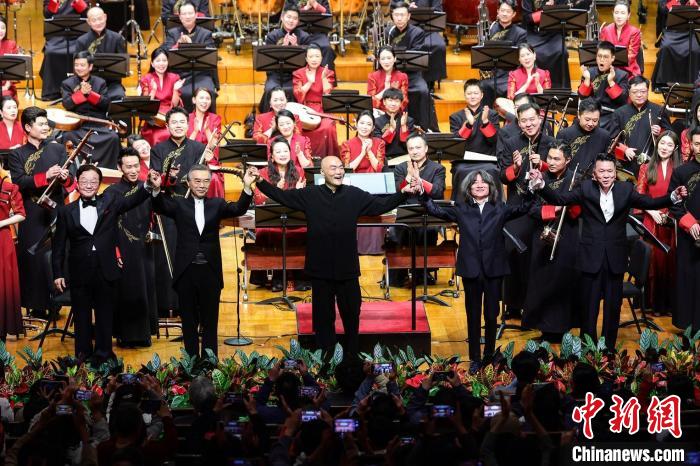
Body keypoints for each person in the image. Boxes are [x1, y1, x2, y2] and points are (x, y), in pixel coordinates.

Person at [251, 157, 416, 355]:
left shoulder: (354, 194)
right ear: (322, 173)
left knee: (352, 315)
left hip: (347, 268)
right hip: (320, 268)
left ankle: (352, 358)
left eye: (340, 168)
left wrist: (403, 192)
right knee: (323, 319)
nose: (338, 171)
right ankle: (326, 360)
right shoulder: (310, 194)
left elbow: (381, 205)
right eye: (333, 168)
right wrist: (260, 181)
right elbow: (282, 197)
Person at [530, 153, 687, 348]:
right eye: (601, 171)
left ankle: (609, 350)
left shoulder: (626, 189)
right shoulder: (585, 188)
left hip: (616, 259)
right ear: (595, 174)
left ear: (615, 173)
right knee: (589, 308)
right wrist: (541, 185)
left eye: (609, 171)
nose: (606, 175)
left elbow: (650, 202)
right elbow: (559, 198)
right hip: (590, 258)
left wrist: (673, 197)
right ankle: (588, 349)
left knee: (613, 309)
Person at [421, 170, 532, 371]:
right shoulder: (461, 208)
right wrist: (422, 192)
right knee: (472, 315)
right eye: (474, 182)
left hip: (494, 270)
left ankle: (489, 356)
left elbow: (525, 207)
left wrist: (533, 187)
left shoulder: (500, 208)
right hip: (471, 269)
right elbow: (435, 210)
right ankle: (474, 358)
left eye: (483, 182)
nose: (479, 185)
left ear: (491, 186)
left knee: (491, 314)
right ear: (468, 188)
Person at [52, 165, 159, 361]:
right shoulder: (66, 211)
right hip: (79, 270)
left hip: (106, 268)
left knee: (104, 315)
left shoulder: (110, 202)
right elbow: (58, 245)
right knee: (82, 317)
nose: (89, 185)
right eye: (84, 181)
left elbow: (132, 200)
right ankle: (83, 356)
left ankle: (104, 356)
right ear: (77, 183)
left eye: (93, 181)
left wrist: (148, 185)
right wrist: (58, 273)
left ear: (99, 184)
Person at [153, 164, 256, 357]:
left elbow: (238, 208)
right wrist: (157, 189)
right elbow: (160, 206)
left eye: (206, 181)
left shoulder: (216, 204)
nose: (202, 185)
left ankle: (209, 362)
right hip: (186, 271)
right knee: (188, 321)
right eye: (197, 181)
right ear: (189, 182)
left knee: (210, 321)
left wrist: (247, 186)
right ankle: (191, 363)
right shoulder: (179, 204)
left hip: (210, 271)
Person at [8, 107, 71, 319]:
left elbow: (70, 181)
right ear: (28, 127)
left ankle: (56, 302)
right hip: (32, 211)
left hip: (56, 209)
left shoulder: (58, 149)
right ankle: (36, 305)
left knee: (56, 253)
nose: (46, 127)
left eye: (46, 123)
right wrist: (46, 176)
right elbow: (19, 182)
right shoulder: (16, 154)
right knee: (33, 257)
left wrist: (64, 178)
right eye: (41, 124)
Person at [151, 106, 214, 317]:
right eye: (174, 122)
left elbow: (205, 179)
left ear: (189, 124)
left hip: (193, 208)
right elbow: (155, 180)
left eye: (182, 122)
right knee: (169, 254)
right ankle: (169, 304)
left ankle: (194, 304)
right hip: (169, 208)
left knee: (192, 255)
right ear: (167, 125)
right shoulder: (158, 149)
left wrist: (207, 163)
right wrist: (170, 178)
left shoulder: (199, 148)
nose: (178, 126)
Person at [497, 101, 553, 317]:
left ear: (539, 118)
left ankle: (536, 307)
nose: (529, 124)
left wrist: (544, 165)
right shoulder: (511, 142)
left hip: (543, 206)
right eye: (524, 121)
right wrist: (516, 167)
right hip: (517, 206)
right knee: (514, 254)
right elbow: (503, 175)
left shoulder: (551, 142)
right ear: (518, 123)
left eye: (532, 119)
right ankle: (513, 306)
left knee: (538, 258)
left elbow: (559, 172)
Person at [522, 142, 581, 342]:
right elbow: (530, 208)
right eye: (549, 158)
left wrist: (567, 207)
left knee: (561, 281)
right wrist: (554, 210)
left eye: (557, 159)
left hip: (566, 236)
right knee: (541, 281)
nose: (552, 162)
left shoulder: (575, 179)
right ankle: (544, 328)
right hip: (541, 235)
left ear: (568, 160)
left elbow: (577, 211)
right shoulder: (539, 177)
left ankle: (561, 328)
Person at [105, 149, 158, 348]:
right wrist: (115, 250)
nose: (134, 170)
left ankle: (145, 333)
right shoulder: (112, 192)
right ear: (120, 167)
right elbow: (110, 223)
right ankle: (125, 335)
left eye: (136, 165)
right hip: (123, 246)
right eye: (129, 167)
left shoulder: (148, 187)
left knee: (146, 287)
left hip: (144, 245)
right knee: (126, 290)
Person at [389, 133, 446, 286]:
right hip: (405, 210)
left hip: (428, 210)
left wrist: (420, 181)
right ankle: (399, 272)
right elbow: (396, 191)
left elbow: (438, 191)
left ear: (426, 149)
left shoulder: (437, 168)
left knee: (427, 229)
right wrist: (408, 177)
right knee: (398, 230)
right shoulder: (401, 168)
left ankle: (421, 272)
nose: (414, 151)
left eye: (418, 147)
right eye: (411, 148)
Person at [252, 136, 307, 291]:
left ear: (290, 153)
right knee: (269, 232)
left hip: (294, 218)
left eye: (285, 151)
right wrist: (276, 190)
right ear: (272, 156)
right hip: (272, 217)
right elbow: (259, 199)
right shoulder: (263, 173)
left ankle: (300, 276)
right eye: (278, 151)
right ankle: (276, 277)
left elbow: (305, 199)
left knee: (305, 230)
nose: (283, 154)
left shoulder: (299, 171)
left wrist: (298, 192)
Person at [637, 131, 681, 316]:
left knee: (670, 263)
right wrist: (652, 211)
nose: (664, 147)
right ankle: (651, 304)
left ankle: (668, 306)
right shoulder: (646, 167)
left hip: (672, 222)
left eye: (669, 145)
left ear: (675, 148)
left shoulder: (680, 169)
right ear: (657, 144)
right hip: (651, 220)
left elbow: (682, 197)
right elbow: (639, 196)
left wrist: (670, 215)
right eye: (662, 143)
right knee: (653, 263)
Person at [60, 51, 121, 169]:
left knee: (113, 137)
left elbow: (106, 104)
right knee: (67, 136)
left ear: (90, 66)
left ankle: (108, 170)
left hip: (98, 123)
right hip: (77, 124)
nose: (78, 68)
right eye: (76, 65)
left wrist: (90, 94)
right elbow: (67, 104)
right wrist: (81, 94)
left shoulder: (100, 82)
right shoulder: (67, 83)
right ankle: (73, 170)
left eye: (82, 65)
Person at [668, 126, 700, 333]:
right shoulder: (681, 172)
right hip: (689, 235)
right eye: (697, 144)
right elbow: (674, 203)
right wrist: (691, 224)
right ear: (691, 145)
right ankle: (689, 326)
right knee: (688, 279)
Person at [386, 2, 437, 132]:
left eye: (402, 15)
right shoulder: (388, 32)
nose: (399, 18)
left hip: (412, 74)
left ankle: (424, 127)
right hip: (392, 73)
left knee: (423, 91)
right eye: (396, 15)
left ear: (408, 16)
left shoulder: (418, 32)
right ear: (392, 16)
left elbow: (416, 56)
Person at [341, 111, 386, 255]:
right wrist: (362, 152)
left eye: (368, 124)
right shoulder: (347, 144)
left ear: (373, 128)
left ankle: (375, 247)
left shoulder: (379, 142)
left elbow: (379, 168)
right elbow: (348, 170)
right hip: (354, 183)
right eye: (362, 123)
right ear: (356, 124)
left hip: (374, 182)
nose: (365, 127)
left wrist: (370, 151)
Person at [610, 75, 672, 177]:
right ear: (629, 92)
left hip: (653, 163)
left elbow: (671, 135)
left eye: (643, 91)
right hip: (627, 163)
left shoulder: (659, 110)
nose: (639, 95)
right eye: (635, 92)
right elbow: (612, 140)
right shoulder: (619, 113)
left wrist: (660, 132)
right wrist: (624, 150)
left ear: (648, 91)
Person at [449, 79, 499, 199]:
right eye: (469, 93)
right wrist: (468, 125)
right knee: (460, 171)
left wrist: (485, 122)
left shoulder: (492, 114)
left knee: (493, 170)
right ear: (465, 95)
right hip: (463, 162)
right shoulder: (456, 117)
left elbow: (494, 140)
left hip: (487, 160)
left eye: (476, 93)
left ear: (482, 95)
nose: (472, 96)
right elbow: (457, 143)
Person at [163, 2, 217, 112]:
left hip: (201, 74)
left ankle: (207, 121)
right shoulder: (172, 33)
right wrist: (178, 44)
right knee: (183, 92)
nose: (187, 16)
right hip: (179, 75)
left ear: (196, 14)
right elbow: (165, 53)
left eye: (190, 13)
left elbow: (211, 56)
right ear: (179, 16)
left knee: (208, 92)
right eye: (184, 14)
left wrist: (191, 46)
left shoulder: (206, 34)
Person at [292, 44, 340, 158]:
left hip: (323, 109)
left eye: (317, 56)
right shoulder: (298, 73)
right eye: (311, 56)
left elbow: (328, 94)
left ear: (321, 58)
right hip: (305, 109)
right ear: (306, 58)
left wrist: (323, 79)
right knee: (298, 127)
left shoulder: (328, 72)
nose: (314, 59)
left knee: (328, 127)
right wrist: (309, 82)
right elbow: (298, 94)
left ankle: (327, 159)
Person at [261, 6, 310, 112]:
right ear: (282, 18)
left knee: (294, 90)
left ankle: (295, 117)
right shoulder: (272, 36)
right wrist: (282, 48)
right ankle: (268, 117)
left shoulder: (304, 37)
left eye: (295, 18)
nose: (291, 20)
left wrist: (296, 47)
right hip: (276, 74)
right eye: (288, 17)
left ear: (298, 21)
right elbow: (268, 62)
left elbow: (307, 62)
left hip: (296, 75)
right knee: (270, 89)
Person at [521, 0, 579, 89]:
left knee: (561, 52)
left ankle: (561, 89)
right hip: (533, 32)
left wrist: (553, 9)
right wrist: (545, 11)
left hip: (553, 31)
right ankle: (534, 86)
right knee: (532, 53)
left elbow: (564, 11)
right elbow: (527, 17)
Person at [74, 7, 127, 100]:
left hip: (111, 83)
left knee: (118, 97)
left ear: (105, 17)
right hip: (89, 83)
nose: (98, 22)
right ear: (88, 22)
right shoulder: (81, 41)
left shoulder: (117, 38)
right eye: (94, 20)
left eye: (100, 18)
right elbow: (77, 68)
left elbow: (122, 66)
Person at [40, 0, 88, 100]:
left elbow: (86, 13)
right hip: (57, 34)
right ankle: (52, 91)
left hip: (76, 33)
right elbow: (47, 14)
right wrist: (54, 3)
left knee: (78, 52)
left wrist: (78, 2)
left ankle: (78, 88)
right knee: (50, 52)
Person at [482, 0, 527, 104]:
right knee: (483, 86)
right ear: (498, 11)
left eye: (508, 11)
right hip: (492, 72)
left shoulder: (521, 33)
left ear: (514, 14)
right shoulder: (489, 30)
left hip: (510, 73)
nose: (504, 14)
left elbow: (519, 58)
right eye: (502, 10)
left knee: (508, 86)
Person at [577, 41, 629, 130]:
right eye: (599, 56)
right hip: (591, 113)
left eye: (605, 57)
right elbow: (582, 97)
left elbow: (622, 99)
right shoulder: (589, 73)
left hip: (611, 115)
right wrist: (587, 80)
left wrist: (611, 82)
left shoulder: (622, 75)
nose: (601, 59)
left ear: (612, 58)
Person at [139, 47, 185, 147]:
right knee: (157, 137)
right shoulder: (146, 78)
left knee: (172, 133)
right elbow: (146, 105)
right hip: (154, 118)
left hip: (170, 116)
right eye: (158, 60)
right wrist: (153, 90)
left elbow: (175, 105)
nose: (161, 63)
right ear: (152, 63)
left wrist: (175, 90)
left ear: (168, 62)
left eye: (164, 60)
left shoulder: (174, 77)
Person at [0, 167, 25, 342]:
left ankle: (2, 329)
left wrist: (1, 223)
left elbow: (21, 214)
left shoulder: (9, 187)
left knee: (3, 285)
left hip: (2, 238)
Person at [652, 0, 700, 89]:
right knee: (666, 46)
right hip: (672, 32)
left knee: (696, 49)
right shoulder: (665, 2)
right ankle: (664, 82)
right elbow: (660, 22)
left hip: (693, 32)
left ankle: (695, 81)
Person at [187, 87, 224, 198]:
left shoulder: (215, 118)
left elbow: (214, 146)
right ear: (194, 100)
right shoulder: (187, 118)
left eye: (207, 98)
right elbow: (185, 146)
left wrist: (207, 130)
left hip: (209, 160)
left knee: (214, 179)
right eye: (201, 98)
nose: (204, 101)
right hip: (191, 159)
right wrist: (195, 131)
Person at [556, 98, 611, 171]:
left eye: (595, 120)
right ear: (579, 115)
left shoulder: (605, 136)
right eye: (587, 120)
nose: (590, 124)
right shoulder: (564, 134)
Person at [403, 0, 447, 89]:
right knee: (408, 45)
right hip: (404, 28)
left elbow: (438, 10)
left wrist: (419, 11)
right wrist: (407, 9)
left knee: (439, 46)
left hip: (427, 29)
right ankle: (408, 79)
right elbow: (394, 5)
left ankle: (430, 81)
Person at [282, 0, 336, 70]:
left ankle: (326, 75)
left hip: (318, 32)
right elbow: (287, 15)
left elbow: (328, 18)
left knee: (326, 47)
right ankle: (297, 75)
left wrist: (316, 5)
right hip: (298, 33)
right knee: (294, 47)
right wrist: (305, 8)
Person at [599, 0, 643, 77]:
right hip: (608, 69)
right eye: (616, 13)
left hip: (628, 71)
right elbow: (601, 52)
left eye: (623, 13)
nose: (619, 16)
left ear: (628, 15)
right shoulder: (606, 30)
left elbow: (630, 58)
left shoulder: (635, 32)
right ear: (613, 13)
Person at [373, 88, 414, 160]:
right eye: (390, 100)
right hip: (385, 159)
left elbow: (410, 146)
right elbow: (379, 146)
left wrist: (404, 127)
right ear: (384, 102)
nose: (393, 104)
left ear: (401, 103)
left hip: (405, 158)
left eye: (397, 101)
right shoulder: (377, 122)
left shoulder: (408, 120)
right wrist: (391, 130)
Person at [269, 109, 314, 174]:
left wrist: (300, 154)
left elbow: (309, 168)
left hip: (300, 176)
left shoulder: (303, 140)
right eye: (281, 124)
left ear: (294, 123)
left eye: (288, 123)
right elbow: (270, 166)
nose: (285, 127)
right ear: (278, 127)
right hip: (278, 176)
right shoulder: (272, 142)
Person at [367, 46, 409, 114]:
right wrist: (385, 90)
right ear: (379, 61)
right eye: (383, 59)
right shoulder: (372, 77)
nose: (386, 61)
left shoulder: (402, 76)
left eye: (389, 58)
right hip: (378, 113)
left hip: (396, 113)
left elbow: (404, 101)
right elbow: (370, 102)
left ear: (395, 59)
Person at [0, 17, 19, 101]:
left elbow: (14, 70)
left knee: (5, 95)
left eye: (3, 28)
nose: (0, 31)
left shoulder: (11, 44)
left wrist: (6, 86)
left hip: (7, 86)